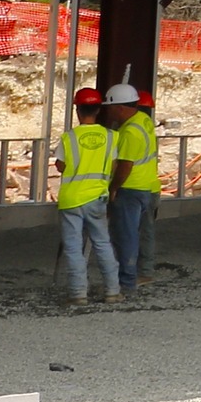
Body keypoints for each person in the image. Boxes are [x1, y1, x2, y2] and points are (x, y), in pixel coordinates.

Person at [55, 86, 121, 305]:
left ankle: (78, 294)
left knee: (74, 248)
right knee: (102, 243)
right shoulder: (111, 137)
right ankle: (112, 291)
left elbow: (61, 166)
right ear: (99, 110)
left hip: (72, 199)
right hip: (97, 198)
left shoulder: (68, 138)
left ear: (77, 110)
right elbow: (113, 166)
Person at [105, 81, 159, 290]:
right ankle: (142, 273)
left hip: (131, 188)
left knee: (125, 236)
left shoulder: (130, 133)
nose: (108, 112)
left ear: (119, 107)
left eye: (110, 107)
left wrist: (113, 188)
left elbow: (125, 166)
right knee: (142, 233)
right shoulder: (143, 120)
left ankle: (127, 280)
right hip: (147, 186)